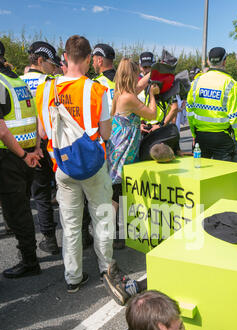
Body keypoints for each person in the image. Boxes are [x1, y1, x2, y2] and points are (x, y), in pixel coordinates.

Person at [35, 35, 127, 295]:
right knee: (102, 216)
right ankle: (106, 267)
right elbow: (107, 134)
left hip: (62, 166)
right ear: (89, 59)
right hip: (94, 165)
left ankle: (73, 277)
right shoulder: (98, 90)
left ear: (64, 57)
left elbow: (43, 133)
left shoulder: (45, 90)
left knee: (71, 223)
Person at [105, 58, 158, 250]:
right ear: (132, 74)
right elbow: (152, 114)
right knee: (116, 193)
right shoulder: (128, 97)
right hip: (123, 149)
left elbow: (141, 84)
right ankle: (110, 236)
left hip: (120, 145)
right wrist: (152, 95)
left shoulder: (122, 92)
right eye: (138, 73)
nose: (140, 77)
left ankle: (113, 234)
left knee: (118, 192)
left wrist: (157, 71)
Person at [0, 40, 42, 278]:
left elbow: (2, 130)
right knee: (22, 207)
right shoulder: (17, 80)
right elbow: (34, 117)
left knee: (18, 213)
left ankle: (29, 261)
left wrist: (25, 155)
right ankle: (29, 257)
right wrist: (34, 149)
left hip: (11, 156)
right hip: (26, 154)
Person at [21, 41, 59, 255]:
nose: (53, 68)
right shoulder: (54, 83)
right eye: (51, 63)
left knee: (39, 194)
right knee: (63, 190)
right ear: (40, 60)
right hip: (52, 144)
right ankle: (81, 236)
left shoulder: (17, 82)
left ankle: (49, 240)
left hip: (25, 146)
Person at [187, 47, 237, 162]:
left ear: (208, 61)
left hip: (201, 136)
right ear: (224, 61)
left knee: (200, 173)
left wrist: (194, 133)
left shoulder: (196, 82)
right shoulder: (230, 83)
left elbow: (190, 111)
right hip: (222, 138)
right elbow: (235, 116)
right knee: (222, 176)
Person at [92, 44, 116, 115]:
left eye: (93, 61)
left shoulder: (96, 83)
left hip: (104, 125)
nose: (92, 64)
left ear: (99, 61)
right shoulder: (124, 79)